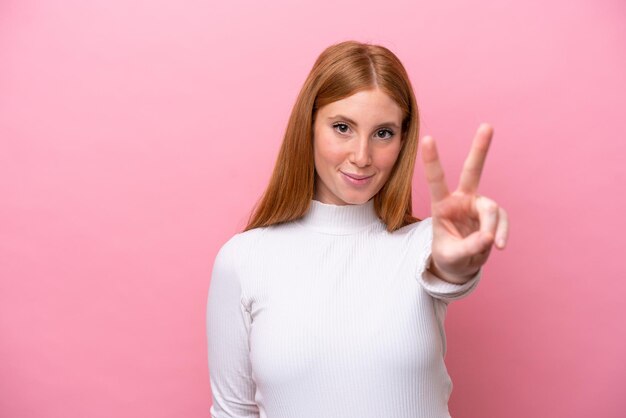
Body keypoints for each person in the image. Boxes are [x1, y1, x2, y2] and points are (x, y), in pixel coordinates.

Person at [206, 40, 509, 418]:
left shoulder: (424, 244)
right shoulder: (243, 259)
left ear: (402, 140)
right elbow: (232, 412)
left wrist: (458, 263)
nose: (362, 156)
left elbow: (448, 272)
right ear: (309, 126)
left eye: (383, 133)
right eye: (342, 127)